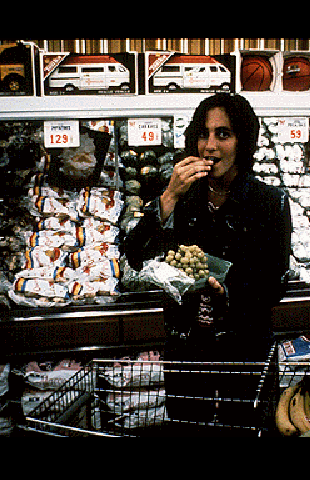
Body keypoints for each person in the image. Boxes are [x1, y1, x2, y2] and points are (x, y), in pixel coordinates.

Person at [122, 93, 292, 433]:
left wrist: (228, 292)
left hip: (244, 349)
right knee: (188, 429)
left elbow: (276, 283)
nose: (209, 146)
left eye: (223, 134)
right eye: (203, 134)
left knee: (242, 428)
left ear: (243, 141)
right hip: (188, 349)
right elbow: (134, 254)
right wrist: (169, 197)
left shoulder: (269, 202)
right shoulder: (181, 196)